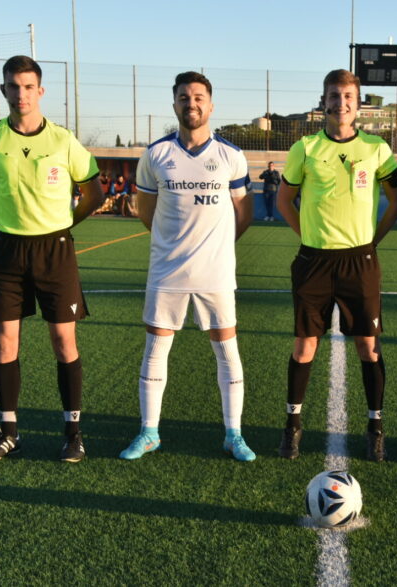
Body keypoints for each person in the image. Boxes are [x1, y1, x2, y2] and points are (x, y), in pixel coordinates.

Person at [0, 55, 104, 462]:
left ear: (40, 91)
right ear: (3, 90)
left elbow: (93, 192)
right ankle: (8, 433)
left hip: (55, 249)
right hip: (7, 249)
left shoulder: (63, 140)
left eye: (28, 87)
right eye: (13, 86)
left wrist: (64, 223)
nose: (21, 94)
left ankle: (73, 434)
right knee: (5, 340)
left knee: (63, 340)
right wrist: (7, 217)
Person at [119, 71, 256, 462]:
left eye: (198, 97)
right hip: (168, 271)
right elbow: (145, 210)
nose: (191, 103)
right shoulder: (156, 155)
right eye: (184, 97)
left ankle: (234, 435)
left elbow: (243, 212)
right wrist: (171, 244)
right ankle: (149, 433)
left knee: (227, 351)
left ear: (210, 105)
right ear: (174, 104)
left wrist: (218, 249)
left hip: (216, 272)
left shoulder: (230, 155)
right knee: (156, 349)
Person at [276, 69, 397, 462]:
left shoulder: (377, 148)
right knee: (304, 346)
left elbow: (396, 202)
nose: (341, 103)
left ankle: (376, 428)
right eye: (334, 95)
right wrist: (307, 236)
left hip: (359, 261)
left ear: (358, 103)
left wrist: (372, 242)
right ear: (324, 102)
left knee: (368, 346)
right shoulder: (305, 148)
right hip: (313, 261)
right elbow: (284, 201)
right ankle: (293, 426)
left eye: (348, 96)